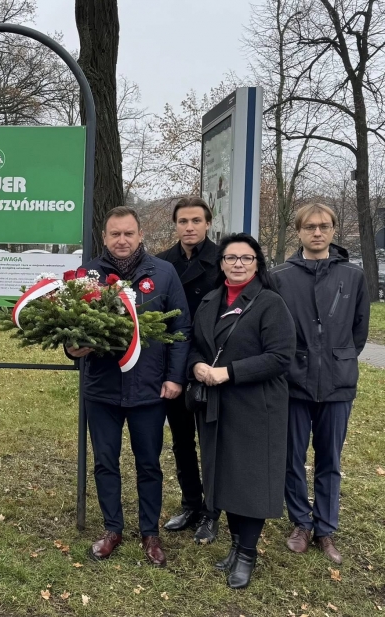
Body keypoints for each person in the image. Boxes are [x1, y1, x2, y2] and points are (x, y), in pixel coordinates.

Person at [65, 206, 190, 567]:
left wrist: (174, 377)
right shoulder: (87, 275)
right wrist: (72, 348)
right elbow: (71, 325)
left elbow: (181, 328)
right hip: (101, 388)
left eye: (128, 233)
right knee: (105, 462)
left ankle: (150, 533)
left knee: (148, 463)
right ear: (104, 237)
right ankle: (112, 529)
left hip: (149, 389)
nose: (122, 240)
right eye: (115, 234)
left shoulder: (163, 273)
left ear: (140, 235)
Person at [189, 233, 296, 589]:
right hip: (216, 404)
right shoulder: (210, 301)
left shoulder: (269, 303)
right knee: (225, 477)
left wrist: (229, 372)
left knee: (250, 480)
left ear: (257, 263)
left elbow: (280, 357)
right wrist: (196, 366)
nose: (238, 264)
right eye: (231, 258)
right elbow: (196, 344)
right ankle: (236, 547)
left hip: (256, 405)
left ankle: (247, 554)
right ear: (221, 264)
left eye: (246, 258)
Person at [271, 204, 368, 565]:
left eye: (323, 226)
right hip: (293, 381)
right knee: (292, 457)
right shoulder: (280, 276)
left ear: (332, 229)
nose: (317, 232)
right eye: (310, 227)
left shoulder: (352, 275)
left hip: (337, 382)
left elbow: (359, 330)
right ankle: (301, 522)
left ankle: (326, 528)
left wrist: (337, 357)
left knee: (330, 458)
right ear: (298, 231)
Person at [155, 196, 222, 543]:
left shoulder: (223, 261)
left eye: (196, 221)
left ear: (208, 223)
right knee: (182, 440)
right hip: (174, 364)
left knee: (211, 443)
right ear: (176, 225)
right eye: (183, 221)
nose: (190, 227)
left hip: (211, 363)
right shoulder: (163, 263)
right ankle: (191, 503)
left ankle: (213, 511)